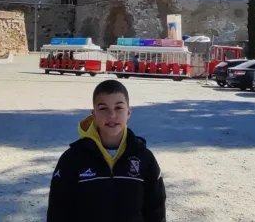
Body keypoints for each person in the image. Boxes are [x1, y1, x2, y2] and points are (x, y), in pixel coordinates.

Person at [47, 80, 166, 222]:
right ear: (94, 114)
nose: (112, 115)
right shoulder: (72, 158)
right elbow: (58, 211)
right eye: (103, 108)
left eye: (119, 108)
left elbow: (156, 210)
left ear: (128, 112)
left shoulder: (144, 158)